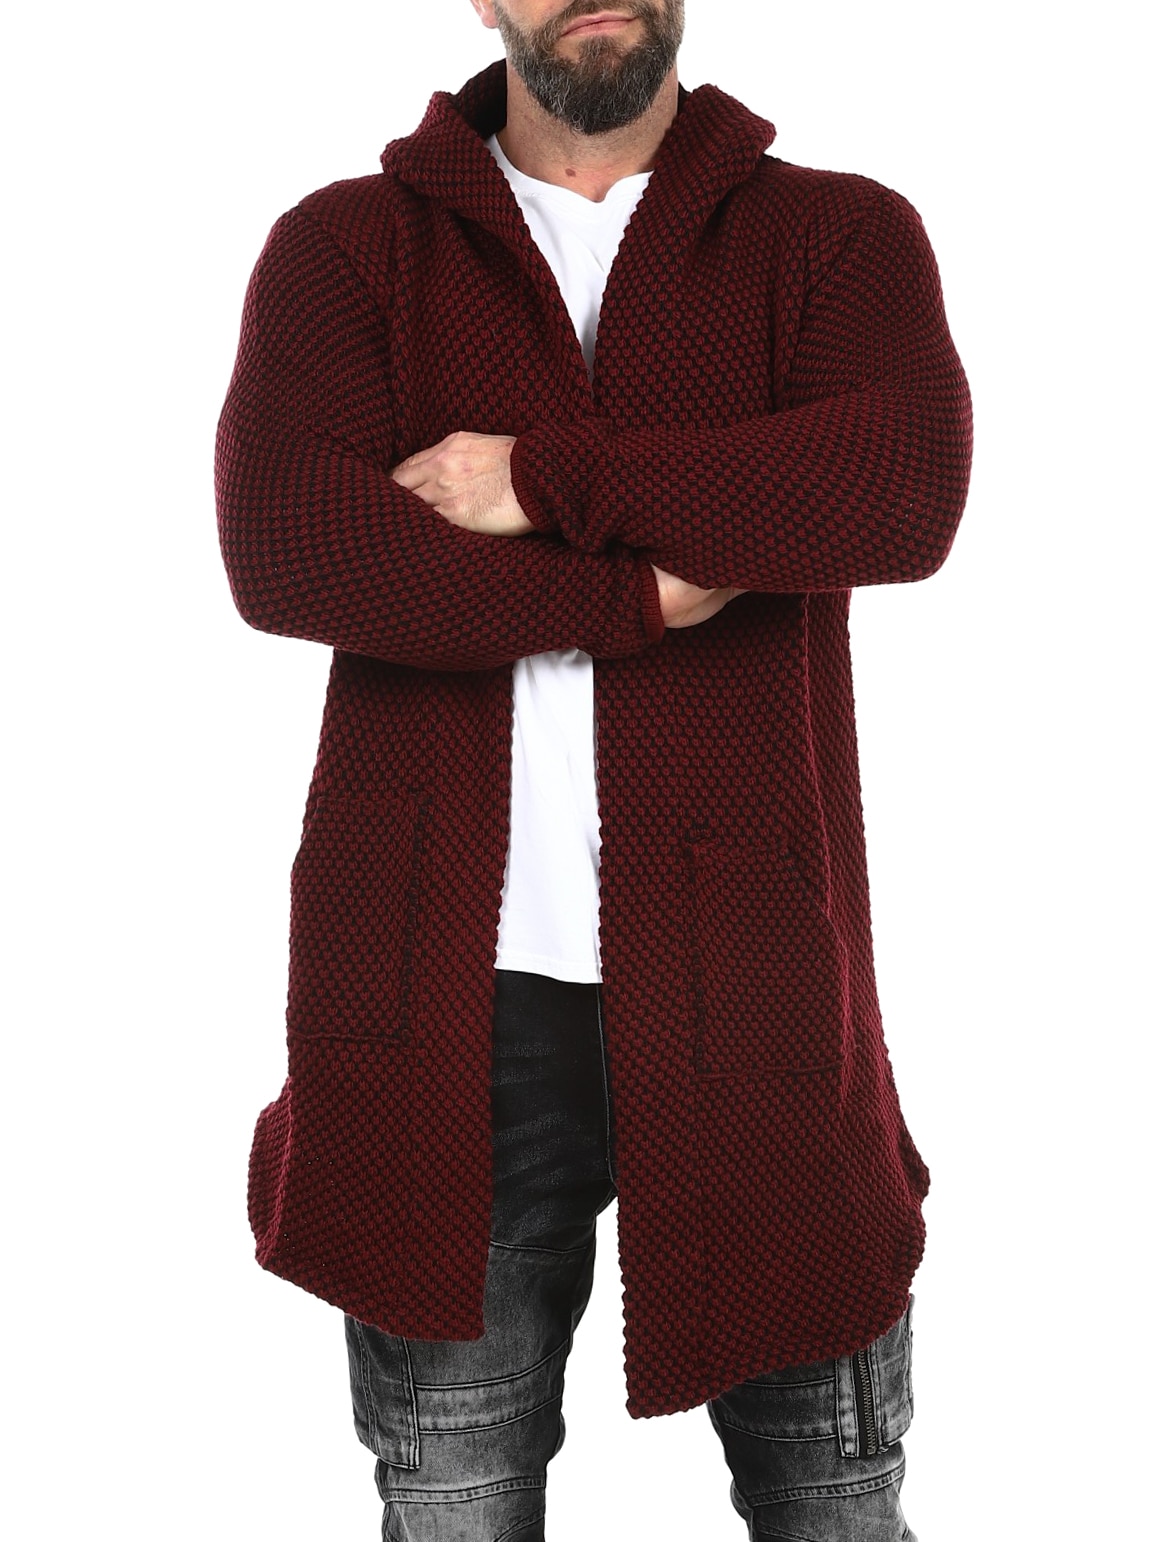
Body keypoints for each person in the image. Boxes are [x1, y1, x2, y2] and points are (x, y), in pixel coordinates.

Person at [215, 1, 971, 1535]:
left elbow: (893, 493)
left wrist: (531, 476)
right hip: (447, 1014)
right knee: (451, 1503)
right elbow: (296, 551)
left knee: (835, 1502)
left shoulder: (838, 238)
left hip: (762, 985)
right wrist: (644, 587)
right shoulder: (348, 250)